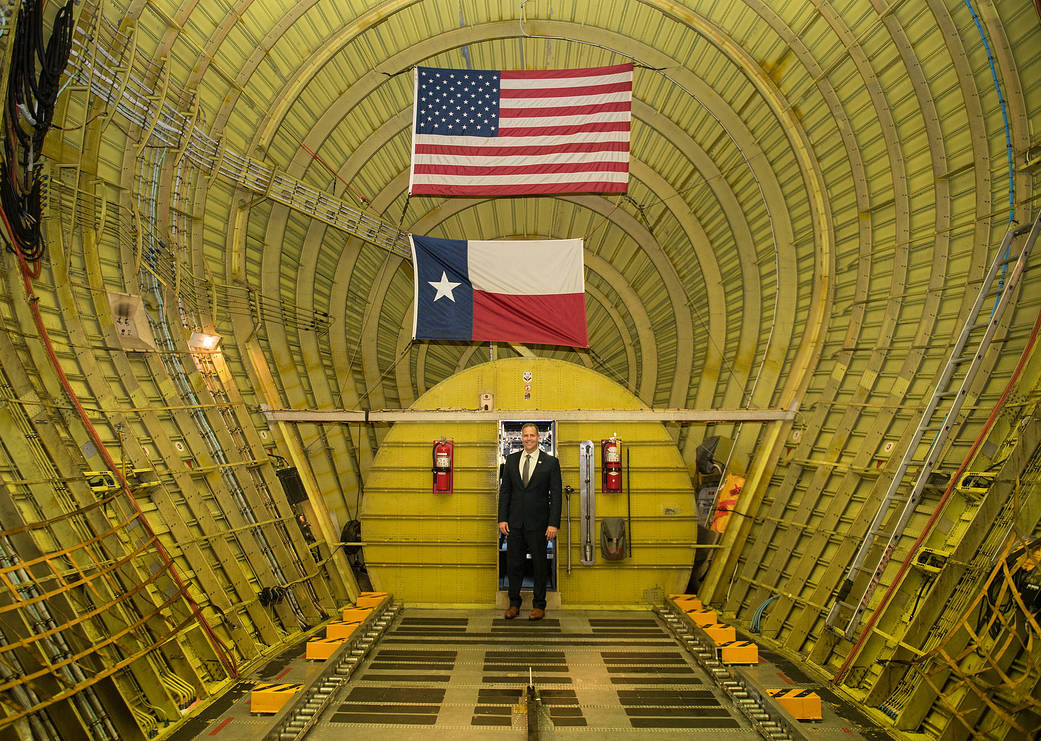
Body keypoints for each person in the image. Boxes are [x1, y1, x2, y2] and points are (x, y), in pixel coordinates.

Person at [498, 422, 562, 621]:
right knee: (514, 564)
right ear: (521, 437)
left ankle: (539, 606)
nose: (528, 438)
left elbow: (557, 494)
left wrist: (553, 523)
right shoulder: (511, 460)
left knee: (540, 566)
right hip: (515, 523)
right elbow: (505, 491)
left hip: (539, 524)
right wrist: (502, 519)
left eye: (532, 435)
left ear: (539, 437)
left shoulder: (550, 462)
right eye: (525, 435)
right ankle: (514, 604)